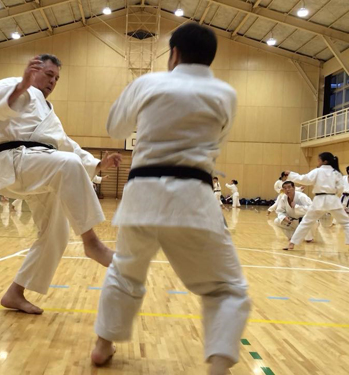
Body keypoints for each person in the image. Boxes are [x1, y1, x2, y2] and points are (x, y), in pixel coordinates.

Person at [90, 24, 250, 375]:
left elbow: (115, 127)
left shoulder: (148, 83)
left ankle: (103, 345)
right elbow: (218, 143)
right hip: (193, 198)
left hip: (141, 196)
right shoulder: (226, 93)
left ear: (173, 53)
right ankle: (218, 368)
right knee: (226, 288)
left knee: (126, 272)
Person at [0, 53, 122, 314]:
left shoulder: (48, 111)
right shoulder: (10, 84)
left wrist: (99, 165)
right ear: (33, 70)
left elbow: (66, 144)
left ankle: (15, 293)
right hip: (18, 160)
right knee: (68, 163)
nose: (53, 81)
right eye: (49, 75)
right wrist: (22, 84)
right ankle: (92, 243)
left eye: (57, 78)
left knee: (55, 233)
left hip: (40, 166)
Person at [284, 152, 349, 251]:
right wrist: (332, 192)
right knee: (346, 223)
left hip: (319, 200)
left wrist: (291, 175)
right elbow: (340, 188)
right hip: (333, 200)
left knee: (306, 222)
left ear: (325, 161)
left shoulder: (318, 171)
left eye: (319, 160)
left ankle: (292, 243)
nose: (317, 162)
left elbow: (304, 179)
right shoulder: (336, 173)